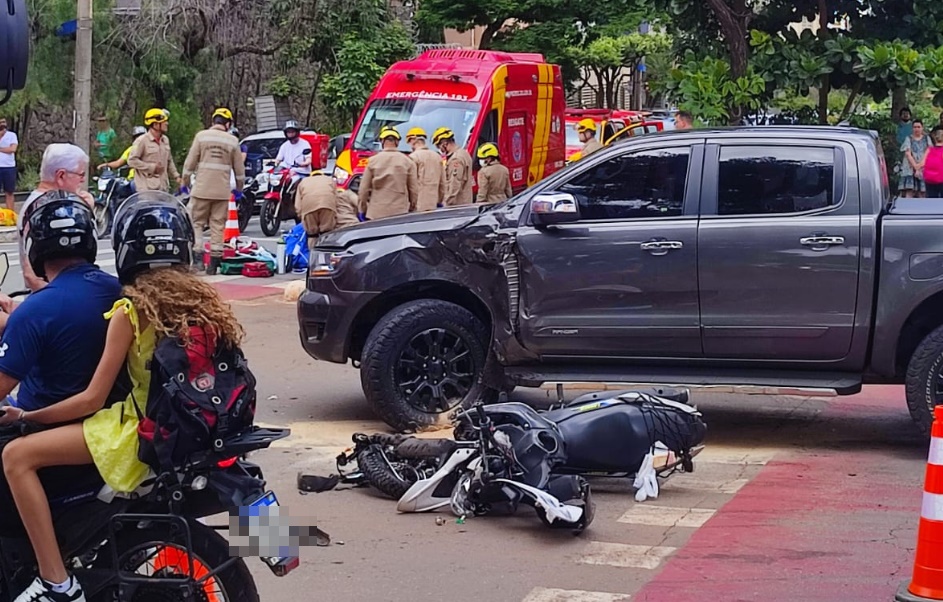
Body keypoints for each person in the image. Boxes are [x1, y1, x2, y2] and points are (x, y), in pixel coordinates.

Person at [2, 192, 245, 602]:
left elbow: (90, 401)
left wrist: (29, 415)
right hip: (197, 424)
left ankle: (56, 583)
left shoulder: (127, 313)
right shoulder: (201, 307)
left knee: (15, 456)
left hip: (136, 432)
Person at [18, 144, 96, 292]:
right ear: (61, 175)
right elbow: (31, 276)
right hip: (53, 300)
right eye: (81, 175)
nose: (83, 180)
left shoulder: (44, 204)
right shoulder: (41, 210)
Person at [182, 107, 245, 275]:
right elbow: (239, 171)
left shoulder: (201, 137)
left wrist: (185, 182)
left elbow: (189, 164)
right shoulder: (232, 141)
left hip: (201, 190)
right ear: (228, 123)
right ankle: (214, 264)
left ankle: (198, 260)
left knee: (196, 223)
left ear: (213, 121)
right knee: (218, 226)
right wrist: (239, 189)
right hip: (222, 192)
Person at [358, 127, 418, 220]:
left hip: (376, 214)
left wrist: (363, 209)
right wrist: (412, 207)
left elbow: (363, 190)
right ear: (397, 142)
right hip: (400, 214)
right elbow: (413, 190)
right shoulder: (408, 162)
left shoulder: (372, 161)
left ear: (382, 141)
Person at [128, 108, 181, 193]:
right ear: (155, 124)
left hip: (163, 188)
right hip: (146, 190)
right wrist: (151, 167)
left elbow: (169, 160)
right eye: (164, 122)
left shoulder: (165, 140)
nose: (167, 124)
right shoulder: (142, 141)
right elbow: (131, 160)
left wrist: (177, 177)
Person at [295, 171, 341, 252]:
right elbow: (336, 198)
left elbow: (297, 204)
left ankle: (313, 256)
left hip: (309, 207)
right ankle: (325, 255)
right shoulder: (330, 180)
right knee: (326, 233)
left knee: (312, 235)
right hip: (327, 205)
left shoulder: (304, 181)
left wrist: (301, 215)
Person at [406, 127, 444, 212]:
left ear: (413, 140)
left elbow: (411, 185)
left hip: (418, 205)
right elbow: (442, 184)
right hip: (434, 205)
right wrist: (439, 201)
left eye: (409, 141)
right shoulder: (437, 157)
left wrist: (411, 204)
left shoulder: (413, 157)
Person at [433, 127, 473, 206]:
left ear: (444, 144)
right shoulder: (463, 153)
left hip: (457, 205)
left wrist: (446, 202)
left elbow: (454, 183)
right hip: (465, 203)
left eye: (439, 146)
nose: (439, 149)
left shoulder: (456, 159)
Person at [274, 120, 312, 195]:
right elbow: (278, 159)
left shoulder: (305, 144)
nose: (290, 134)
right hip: (287, 172)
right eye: (288, 132)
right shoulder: (284, 145)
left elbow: (308, 160)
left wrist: (302, 164)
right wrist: (275, 164)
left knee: (295, 183)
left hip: (302, 172)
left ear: (297, 132)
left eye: (292, 132)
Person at [901, 119, 929, 198]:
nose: (917, 129)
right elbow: (907, 153)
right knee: (909, 191)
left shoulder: (927, 138)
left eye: (918, 127)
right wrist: (915, 166)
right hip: (910, 167)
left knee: (922, 192)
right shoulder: (908, 138)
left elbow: (928, 152)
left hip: (923, 167)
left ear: (922, 128)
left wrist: (920, 165)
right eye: (915, 127)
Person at [0, 117, 18, 211]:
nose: (2, 124)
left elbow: (12, 149)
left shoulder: (12, 135)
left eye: (4, 121)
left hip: (9, 167)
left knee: (9, 192)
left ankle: (10, 214)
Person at [922, 128, 943, 197]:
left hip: (929, 179)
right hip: (941, 179)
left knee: (932, 199)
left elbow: (922, 163)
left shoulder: (929, 149)